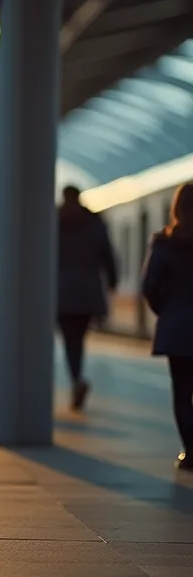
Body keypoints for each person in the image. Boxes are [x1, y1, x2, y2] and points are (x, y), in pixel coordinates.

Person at [140, 183, 193, 472]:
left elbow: (150, 286)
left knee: (183, 393)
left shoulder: (165, 242)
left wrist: (168, 311)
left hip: (178, 327)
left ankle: (191, 452)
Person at [56, 185, 118, 412]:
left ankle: (76, 379)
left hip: (60, 291)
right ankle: (77, 379)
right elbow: (108, 256)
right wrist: (112, 282)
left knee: (68, 338)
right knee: (78, 338)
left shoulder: (53, 221)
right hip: (87, 291)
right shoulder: (94, 222)